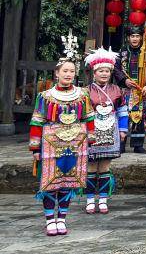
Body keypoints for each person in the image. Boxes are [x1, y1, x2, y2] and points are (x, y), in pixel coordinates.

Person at [29, 32, 93, 236]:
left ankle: (62, 218)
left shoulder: (82, 95)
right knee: (50, 182)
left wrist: (90, 141)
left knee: (68, 181)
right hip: (50, 144)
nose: (68, 74)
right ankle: (50, 219)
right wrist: (35, 148)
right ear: (57, 73)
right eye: (65, 71)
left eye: (72, 71)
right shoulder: (45, 97)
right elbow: (37, 121)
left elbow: (89, 118)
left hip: (75, 144)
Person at [83, 48, 127, 215]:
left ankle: (103, 199)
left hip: (111, 130)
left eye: (107, 71)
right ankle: (89, 199)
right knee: (91, 166)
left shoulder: (116, 90)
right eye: (101, 71)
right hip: (92, 132)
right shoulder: (86, 91)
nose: (104, 74)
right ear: (94, 73)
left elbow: (122, 110)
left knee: (105, 166)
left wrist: (123, 129)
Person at [115, 25, 146, 153]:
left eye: (137, 36)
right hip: (126, 89)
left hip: (141, 88)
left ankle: (138, 145)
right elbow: (116, 69)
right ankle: (121, 144)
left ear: (141, 37)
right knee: (123, 114)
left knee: (140, 115)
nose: (135, 39)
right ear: (128, 38)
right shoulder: (123, 52)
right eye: (132, 36)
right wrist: (124, 80)